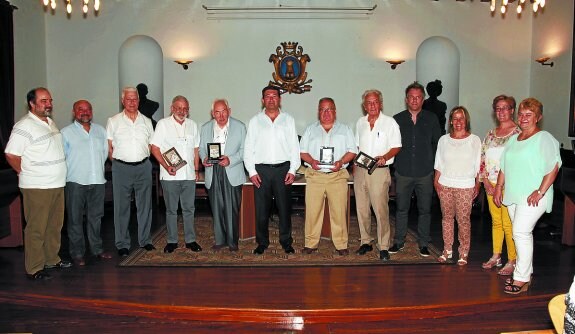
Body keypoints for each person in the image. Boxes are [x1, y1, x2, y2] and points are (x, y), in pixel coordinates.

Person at [494, 97, 561, 294]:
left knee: (520, 233)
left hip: (534, 196)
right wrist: (499, 186)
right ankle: (527, 273)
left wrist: (540, 191)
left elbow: (554, 166)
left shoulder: (544, 138)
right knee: (522, 235)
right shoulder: (514, 139)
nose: (523, 118)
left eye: (528, 115)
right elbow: (504, 166)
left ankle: (521, 278)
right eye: (521, 114)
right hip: (514, 194)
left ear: (538, 117)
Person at [5, 87, 71, 280]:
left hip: (56, 183)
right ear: (31, 104)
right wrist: (24, 171)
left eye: (49, 100)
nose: (48, 104)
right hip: (37, 186)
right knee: (36, 227)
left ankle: (51, 258)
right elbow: (11, 154)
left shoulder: (49, 122)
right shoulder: (24, 126)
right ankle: (34, 267)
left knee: (54, 225)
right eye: (43, 101)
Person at [243, 86, 301, 255]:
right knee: (261, 210)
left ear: (279, 99)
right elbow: (248, 148)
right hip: (261, 171)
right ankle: (262, 242)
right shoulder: (255, 121)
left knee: (284, 209)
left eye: (274, 96)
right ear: (262, 100)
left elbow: (294, 147)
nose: (271, 99)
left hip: (283, 169)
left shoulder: (288, 120)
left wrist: (292, 169)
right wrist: (252, 172)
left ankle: (286, 241)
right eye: (267, 96)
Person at [299, 97, 357, 256]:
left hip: (337, 176)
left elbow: (352, 151)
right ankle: (311, 243)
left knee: (339, 212)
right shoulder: (311, 129)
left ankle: (341, 244)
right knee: (312, 212)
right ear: (318, 112)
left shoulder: (345, 129)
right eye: (322, 109)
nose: (326, 113)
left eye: (329, 109)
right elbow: (302, 152)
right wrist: (312, 161)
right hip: (315, 176)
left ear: (335, 111)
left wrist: (341, 161)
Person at [391, 82, 441, 257]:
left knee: (425, 210)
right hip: (403, 171)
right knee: (401, 209)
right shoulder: (396, 119)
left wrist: (435, 169)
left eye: (418, 97)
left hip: (425, 172)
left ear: (423, 99)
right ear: (406, 99)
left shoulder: (432, 118)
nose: (414, 100)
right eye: (411, 97)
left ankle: (424, 243)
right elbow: (392, 145)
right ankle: (399, 241)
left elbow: (437, 145)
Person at [61, 100, 112, 266]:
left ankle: (97, 249)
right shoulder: (65, 133)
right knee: (75, 219)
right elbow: (62, 157)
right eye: (80, 109)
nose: (85, 112)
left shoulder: (100, 131)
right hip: (75, 181)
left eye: (88, 109)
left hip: (97, 180)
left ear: (92, 111)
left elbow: (105, 154)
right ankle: (77, 253)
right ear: (74, 112)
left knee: (96, 218)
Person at [106, 87, 154, 257]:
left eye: (135, 99)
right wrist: (120, 163)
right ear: (122, 101)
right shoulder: (113, 121)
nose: (132, 102)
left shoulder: (147, 121)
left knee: (145, 206)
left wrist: (141, 160)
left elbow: (150, 145)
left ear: (139, 101)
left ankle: (145, 240)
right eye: (128, 99)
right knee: (121, 207)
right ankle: (122, 244)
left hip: (143, 167)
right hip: (121, 168)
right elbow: (109, 148)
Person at [354, 90, 401, 261]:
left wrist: (385, 157)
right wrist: (355, 169)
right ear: (364, 105)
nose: (372, 105)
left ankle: (383, 246)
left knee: (380, 210)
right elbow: (357, 147)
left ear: (380, 104)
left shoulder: (390, 123)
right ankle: (366, 241)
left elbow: (397, 146)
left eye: (375, 102)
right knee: (361, 208)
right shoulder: (360, 122)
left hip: (380, 172)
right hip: (360, 170)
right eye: (368, 102)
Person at [150, 95, 202, 253]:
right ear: (172, 108)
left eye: (185, 108)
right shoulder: (163, 124)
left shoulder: (192, 125)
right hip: (170, 176)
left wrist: (196, 170)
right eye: (179, 108)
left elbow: (195, 149)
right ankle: (172, 241)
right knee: (171, 210)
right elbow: (154, 147)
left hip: (188, 175)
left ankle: (190, 240)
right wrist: (166, 166)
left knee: (189, 209)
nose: (182, 111)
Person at [434, 106, 481, 265]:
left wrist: (478, 183)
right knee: (446, 219)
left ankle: (464, 251)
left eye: (462, 118)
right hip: (445, 184)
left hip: (465, 186)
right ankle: (447, 249)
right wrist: (436, 180)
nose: (458, 121)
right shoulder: (443, 140)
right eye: (455, 118)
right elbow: (439, 162)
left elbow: (478, 165)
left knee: (463, 220)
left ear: (466, 120)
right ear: (450, 121)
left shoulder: (474, 140)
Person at [479, 95, 521, 275]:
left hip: (508, 185)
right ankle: (496, 255)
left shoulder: (518, 133)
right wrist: (486, 181)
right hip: (491, 184)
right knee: (496, 221)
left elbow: (518, 162)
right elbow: (482, 158)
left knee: (508, 223)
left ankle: (512, 259)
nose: (501, 111)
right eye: (498, 108)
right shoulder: (490, 134)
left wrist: (500, 186)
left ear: (512, 110)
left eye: (505, 108)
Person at [199, 99, 247, 252]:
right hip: (213, 171)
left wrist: (230, 160)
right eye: (217, 112)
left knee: (231, 208)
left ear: (229, 111)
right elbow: (201, 149)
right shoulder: (206, 128)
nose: (221, 115)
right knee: (216, 207)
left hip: (231, 170)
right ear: (213, 113)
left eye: (224, 111)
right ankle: (220, 240)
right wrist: (204, 159)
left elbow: (245, 150)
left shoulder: (240, 127)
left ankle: (233, 242)